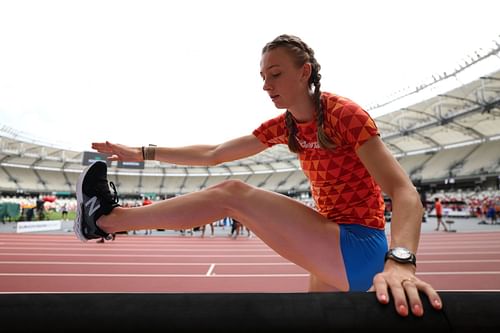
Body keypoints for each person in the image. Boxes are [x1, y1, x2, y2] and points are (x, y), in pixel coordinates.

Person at [74, 34, 442, 317]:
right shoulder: (287, 127)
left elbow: (404, 192)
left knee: (232, 194)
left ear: (305, 72)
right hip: (331, 244)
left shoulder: (344, 115)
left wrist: (402, 262)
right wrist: (141, 153)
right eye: (263, 76)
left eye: (276, 74)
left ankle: (106, 220)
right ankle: (105, 220)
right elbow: (215, 154)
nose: (266, 85)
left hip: (361, 246)